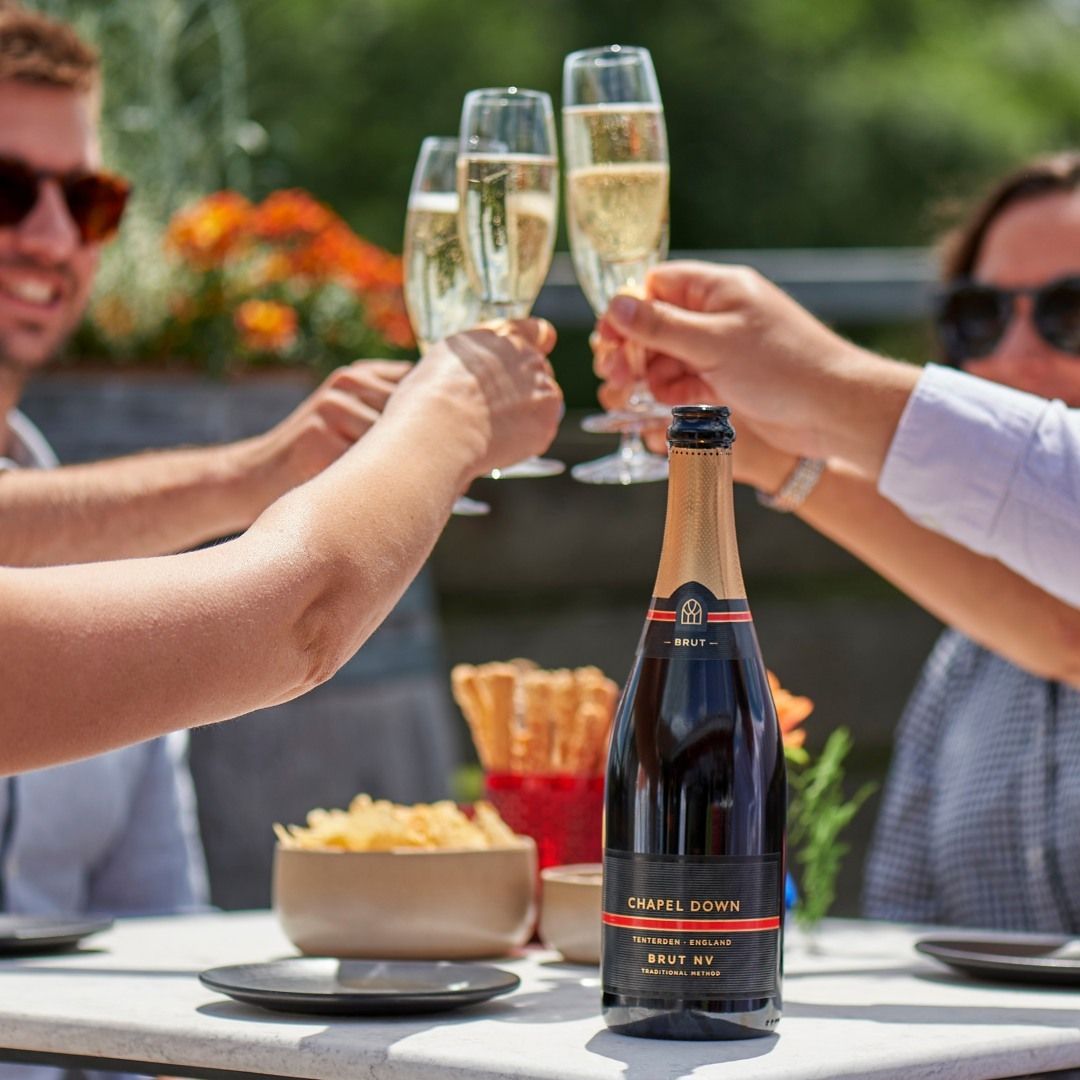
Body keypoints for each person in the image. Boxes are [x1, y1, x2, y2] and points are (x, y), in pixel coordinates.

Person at [594, 152, 1080, 930]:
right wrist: (763, 448)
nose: (1015, 354)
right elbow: (904, 910)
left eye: (1072, 311)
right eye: (981, 317)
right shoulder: (968, 656)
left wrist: (816, 382)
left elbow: (1065, 635)